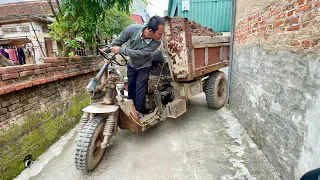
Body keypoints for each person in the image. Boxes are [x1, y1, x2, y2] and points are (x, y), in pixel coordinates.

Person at [108, 15, 165, 116]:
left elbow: (141, 54)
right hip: (132, 64)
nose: (161, 36)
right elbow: (118, 41)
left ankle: (139, 112)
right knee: (131, 88)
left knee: (140, 89)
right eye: (159, 33)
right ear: (151, 31)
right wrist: (107, 49)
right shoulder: (132, 29)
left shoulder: (156, 42)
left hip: (144, 66)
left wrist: (121, 50)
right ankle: (131, 110)